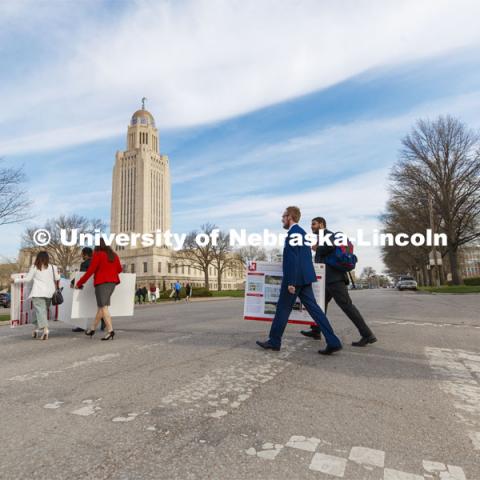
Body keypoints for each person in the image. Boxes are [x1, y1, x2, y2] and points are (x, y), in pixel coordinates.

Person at [256, 206, 342, 355]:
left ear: (290, 217)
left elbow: (293, 260)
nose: (282, 219)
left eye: (283, 216)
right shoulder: (302, 233)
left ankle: (274, 341)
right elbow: (305, 259)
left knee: (282, 310)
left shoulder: (293, 234)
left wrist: (291, 282)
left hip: (295, 280)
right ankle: (333, 341)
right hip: (305, 278)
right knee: (316, 311)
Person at [301, 217, 377, 347]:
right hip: (327, 279)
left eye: (313, 224)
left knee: (347, 306)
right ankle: (316, 330)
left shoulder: (328, 235)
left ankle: (367, 335)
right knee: (319, 306)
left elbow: (329, 247)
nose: (311, 226)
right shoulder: (322, 237)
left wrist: (317, 248)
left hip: (334, 279)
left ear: (321, 224)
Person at [75, 238, 122, 340]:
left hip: (102, 283)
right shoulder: (114, 255)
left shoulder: (98, 254)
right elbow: (119, 269)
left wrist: (79, 283)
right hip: (112, 283)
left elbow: (90, 271)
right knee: (101, 307)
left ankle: (110, 331)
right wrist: (110, 272)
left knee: (103, 307)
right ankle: (92, 329)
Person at [12, 251, 60, 340]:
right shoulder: (53, 267)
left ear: (37, 258)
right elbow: (57, 278)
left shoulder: (34, 267)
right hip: (50, 294)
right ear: (47, 258)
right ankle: (36, 329)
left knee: (40, 311)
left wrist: (16, 280)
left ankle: (45, 330)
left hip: (38, 292)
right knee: (41, 312)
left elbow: (28, 279)